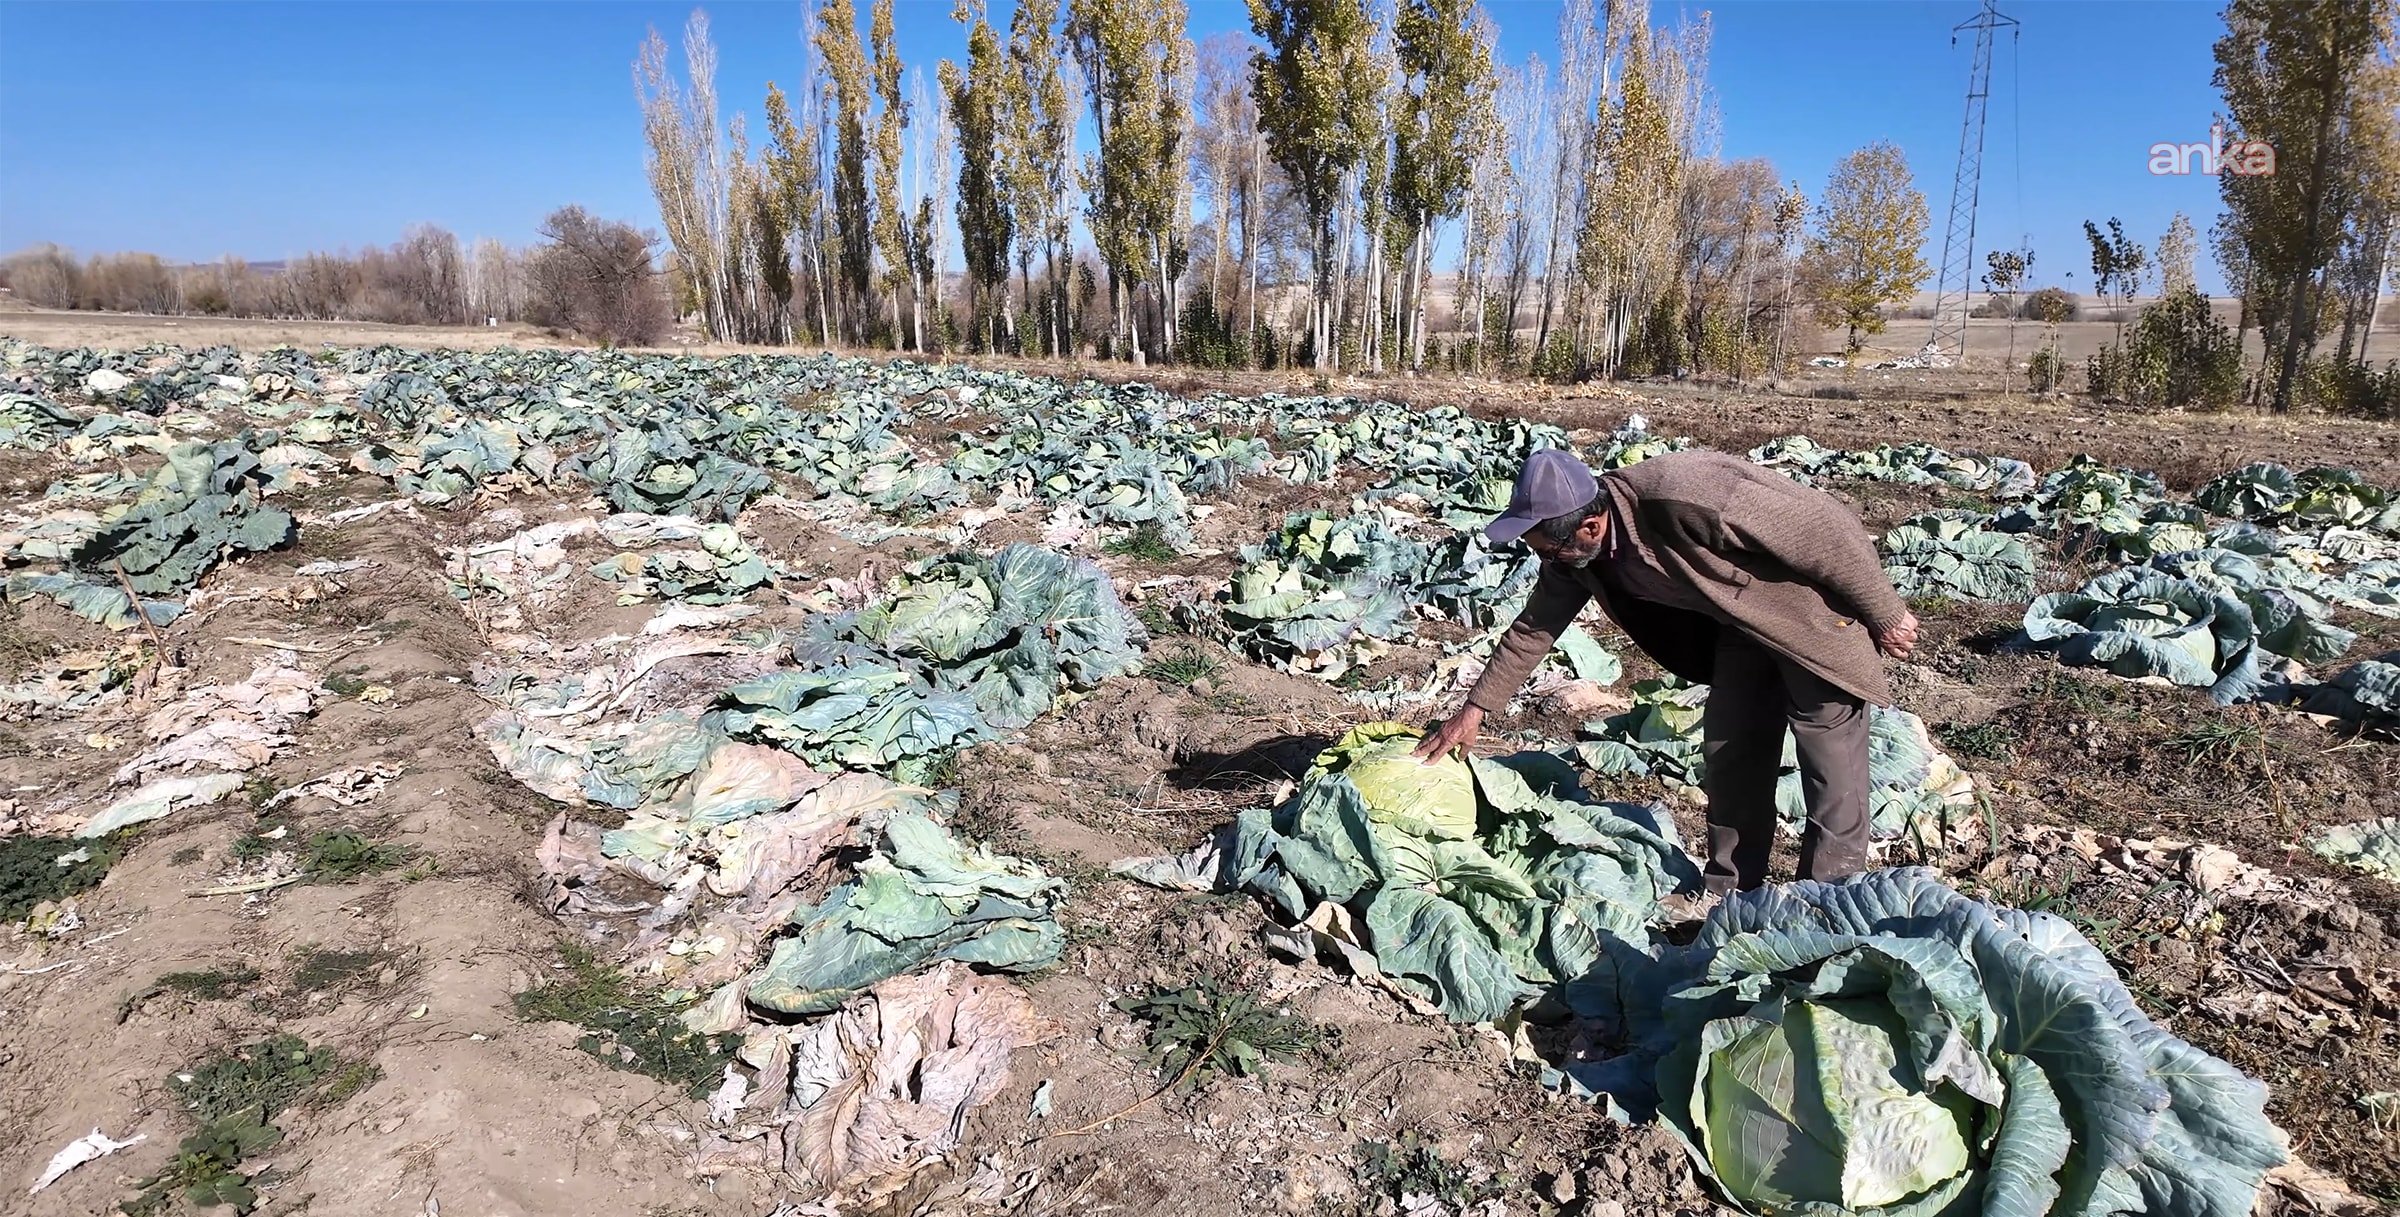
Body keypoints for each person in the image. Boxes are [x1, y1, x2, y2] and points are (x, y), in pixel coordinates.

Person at [1412, 446, 1919, 893]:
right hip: (1741, 627)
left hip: (1812, 622)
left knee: (1829, 762)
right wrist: (1474, 709)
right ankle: (1731, 890)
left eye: (1547, 548)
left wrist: (1885, 612)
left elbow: (1825, 529)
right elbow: (1533, 628)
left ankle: (1828, 896)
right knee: (1732, 751)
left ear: (1590, 526)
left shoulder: (1687, 494)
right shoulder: (1574, 556)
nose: (1543, 558)